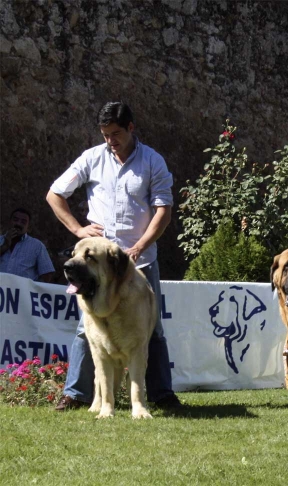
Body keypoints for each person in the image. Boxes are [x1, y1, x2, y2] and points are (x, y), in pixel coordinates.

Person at [46, 101, 181, 411]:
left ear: (131, 128)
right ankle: (75, 395)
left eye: (116, 133)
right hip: (97, 264)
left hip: (140, 262)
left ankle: (162, 395)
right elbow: (55, 194)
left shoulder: (152, 161)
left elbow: (164, 210)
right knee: (86, 328)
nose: (110, 140)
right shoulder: (91, 158)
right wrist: (79, 230)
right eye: (105, 134)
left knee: (153, 330)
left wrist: (140, 246)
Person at [0, 208, 55, 282]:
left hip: (22, 292)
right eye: (15, 220)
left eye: (23, 222)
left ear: (28, 227)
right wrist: (4, 246)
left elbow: (47, 273)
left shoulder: (37, 246)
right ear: (9, 222)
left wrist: (35, 290)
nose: (18, 224)